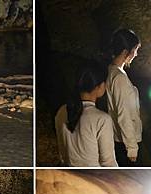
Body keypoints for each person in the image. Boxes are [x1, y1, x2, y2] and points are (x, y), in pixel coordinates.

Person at [55, 62, 117, 166]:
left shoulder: (62, 111)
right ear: (100, 86)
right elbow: (108, 163)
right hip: (93, 177)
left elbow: (62, 153)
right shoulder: (102, 119)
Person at [105, 29, 143, 166]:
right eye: (135, 50)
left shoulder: (113, 70)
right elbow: (123, 114)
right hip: (125, 141)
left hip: (120, 138)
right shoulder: (119, 78)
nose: (136, 54)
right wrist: (132, 148)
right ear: (125, 52)